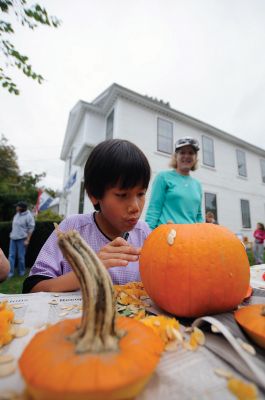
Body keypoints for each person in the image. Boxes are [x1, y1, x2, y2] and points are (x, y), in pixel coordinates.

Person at [22, 139, 151, 293]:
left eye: (141, 194)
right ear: (94, 195)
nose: (135, 207)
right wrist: (89, 269)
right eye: (122, 195)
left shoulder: (144, 233)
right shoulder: (71, 230)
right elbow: (34, 288)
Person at [145, 136, 203, 229]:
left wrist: (204, 233)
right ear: (176, 156)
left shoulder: (197, 185)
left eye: (191, 153)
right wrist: (147, 234)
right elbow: (154, 208)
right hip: (167, 235)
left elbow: (199, 215)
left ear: (195, 157)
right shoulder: (163, 177)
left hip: (192, 238)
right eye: (182, 152)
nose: (186, 156)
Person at [8, 201, 35, 278]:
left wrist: (28, 240)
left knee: (21, 256)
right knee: (11, 256)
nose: (16, 208)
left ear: (22, 208)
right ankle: (10, 273)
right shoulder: (17, 214)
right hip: (13, 238)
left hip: (22, 239)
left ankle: (22, 272)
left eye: (17, 206)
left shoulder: (29, 216)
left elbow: (31, 228)